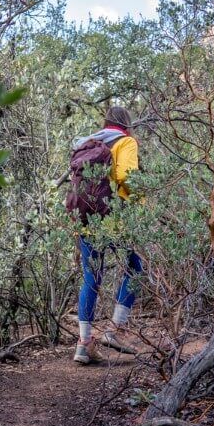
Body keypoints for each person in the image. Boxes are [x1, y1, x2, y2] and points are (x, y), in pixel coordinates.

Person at [72, 106, 143, 365]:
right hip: (115, 219)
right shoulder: (126, 142)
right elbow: (126, 176)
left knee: (91, 278)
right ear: (126, 123)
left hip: (88, 220)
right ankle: (115, 329)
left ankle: (83, 344)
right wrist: (141, 200)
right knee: (136, 269)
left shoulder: (91, 142)